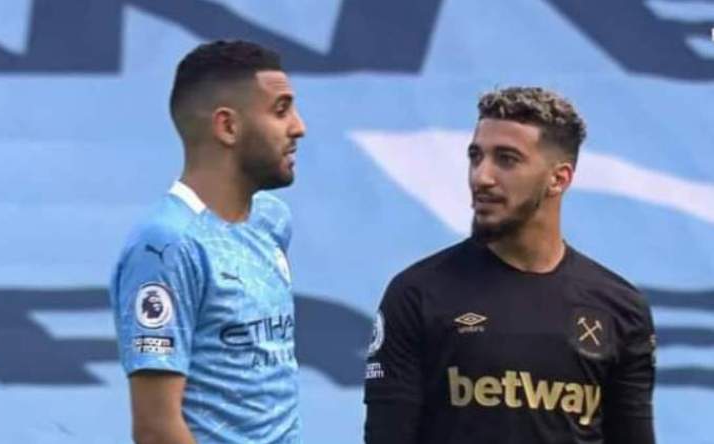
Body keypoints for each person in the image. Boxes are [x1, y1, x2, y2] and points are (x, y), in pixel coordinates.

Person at [364, 87, 656, 443]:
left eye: (506, 159)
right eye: (476, 157)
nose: (481, 176)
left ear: (559, 178)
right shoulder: (417, 294)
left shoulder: (620, 307)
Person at [109, 40, 306, 444]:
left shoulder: (270, 219)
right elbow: (156, 430)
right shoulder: (165, 246)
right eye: (281, 110)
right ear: (227, 126)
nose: (298, 126)